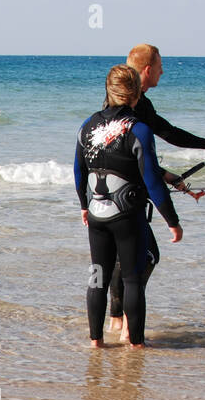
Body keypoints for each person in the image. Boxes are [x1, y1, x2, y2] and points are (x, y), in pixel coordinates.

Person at [106, 44, 205, 338]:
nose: (163, 72)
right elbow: (142, 145)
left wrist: (166, 173)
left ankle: (114, 322)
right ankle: (126, 324)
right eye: (160, 67)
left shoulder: (132, 103)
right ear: (147, 70)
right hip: (125, 193)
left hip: (107, 193)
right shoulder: (131, 105)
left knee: (121, 258)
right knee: (146, 256)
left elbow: (161, 133)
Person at [74, 64, 178, 349]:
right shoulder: (139, 129)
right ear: (135, 96)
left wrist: (84, 205)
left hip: (96, 215)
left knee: (98, 277)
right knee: (132, 280)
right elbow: (152, 180)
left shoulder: (88, 125)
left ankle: (96, 342)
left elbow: (79, 171)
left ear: (109, 90)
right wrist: (172, 220)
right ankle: (136, 344)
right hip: (126, 216)